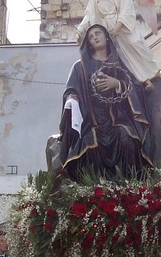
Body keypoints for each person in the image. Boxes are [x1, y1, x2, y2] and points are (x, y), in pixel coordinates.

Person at [59, 24, 154, 181]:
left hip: (119, 118)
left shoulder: (122, 63)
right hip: (92, 120)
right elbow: (71, 90)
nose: (94, 37)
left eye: (98, 33)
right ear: (88, 43)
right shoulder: (80, 66)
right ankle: (93, 189)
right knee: (89, 143)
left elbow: (137, 87)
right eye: (90, 37)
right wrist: (72, 100)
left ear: (107, 37)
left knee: (127, 138)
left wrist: (117, 84)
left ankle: (129, 185)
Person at [76, 0, 161, 84]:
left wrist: (118, 27)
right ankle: (144, 80)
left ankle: (155, 71)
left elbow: (126, 9)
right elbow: (90, 12)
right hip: (107, 29)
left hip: (123, 26)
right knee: (122, 55)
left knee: (136, 43)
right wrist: (81, 28)